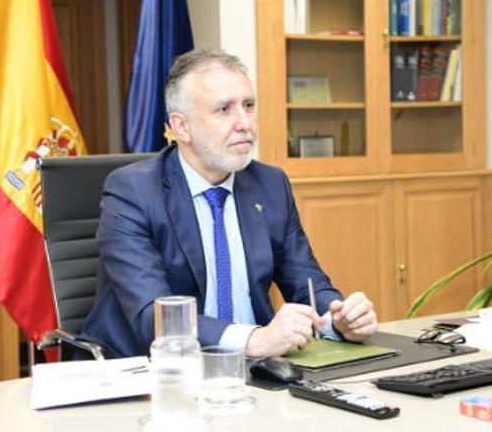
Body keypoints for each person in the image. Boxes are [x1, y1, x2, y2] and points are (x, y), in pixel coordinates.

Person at [79, 49, 378, 358]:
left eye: (249, 106)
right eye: (224, 109)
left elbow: (308, 285)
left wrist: (337, 318)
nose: (244, 123)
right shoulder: (133, 191)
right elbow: (153, 317)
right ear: (181, 127)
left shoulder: (271, 185)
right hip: (153, 371)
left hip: (256, 372)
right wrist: (252, 340)